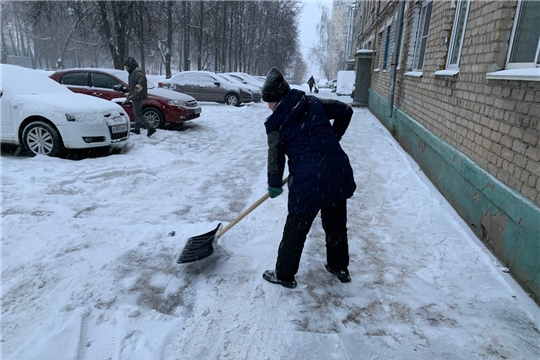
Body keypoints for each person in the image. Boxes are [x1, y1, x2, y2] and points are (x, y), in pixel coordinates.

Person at [260, 67, 356, 289]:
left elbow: (275, 158)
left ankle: (284, 274)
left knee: (296, 228)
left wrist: (274, 183)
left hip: (307, 181)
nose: (268, 106)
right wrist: (333, 138)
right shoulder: (312, 102)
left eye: (269, 101)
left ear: (277, 99)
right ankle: (339, 266)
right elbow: (345, 111)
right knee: (336, 225)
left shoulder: (276, 123)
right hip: (336, 171)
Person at [123, 57, 156, 137]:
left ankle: (150, 128)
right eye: (126, 66)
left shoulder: (137, 71)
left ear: (131, 65)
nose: (127, 68)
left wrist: (138, 87)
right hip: (135, 95)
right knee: (135, 112)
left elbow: (142, 79)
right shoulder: (132, 72)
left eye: (128, 65)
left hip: (138, 96)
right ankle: (137, 129)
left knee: (137, 113)